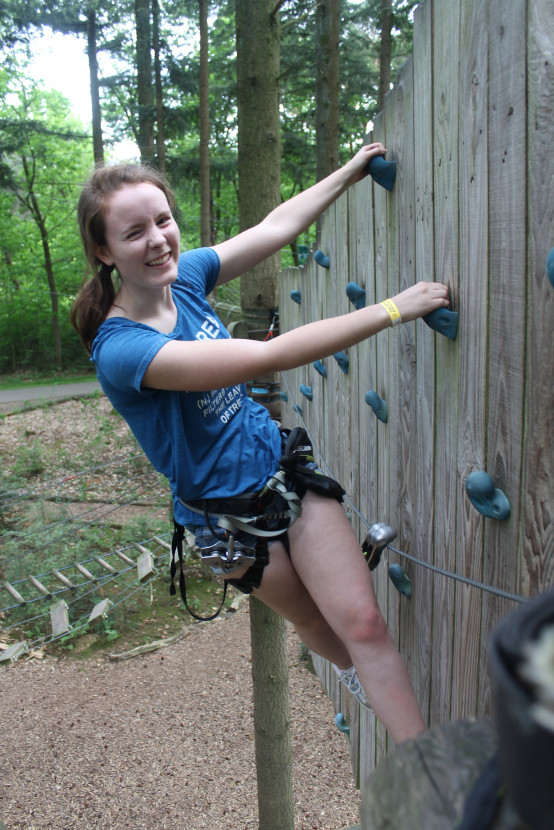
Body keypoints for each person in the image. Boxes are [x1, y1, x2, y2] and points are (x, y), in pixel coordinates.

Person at [72, 142, 450, 743]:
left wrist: (348, 171)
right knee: (318, 623)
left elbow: (276, 226)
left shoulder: (188, 276)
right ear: (104, 250)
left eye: (164, 220)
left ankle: (435, 774)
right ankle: (350, 671)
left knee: (364, 622)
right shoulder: (123, 350)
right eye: (134, 232)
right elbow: (269, 355)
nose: (158, 240)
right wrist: (391, 309)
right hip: (228, 520)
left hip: (278, 467)